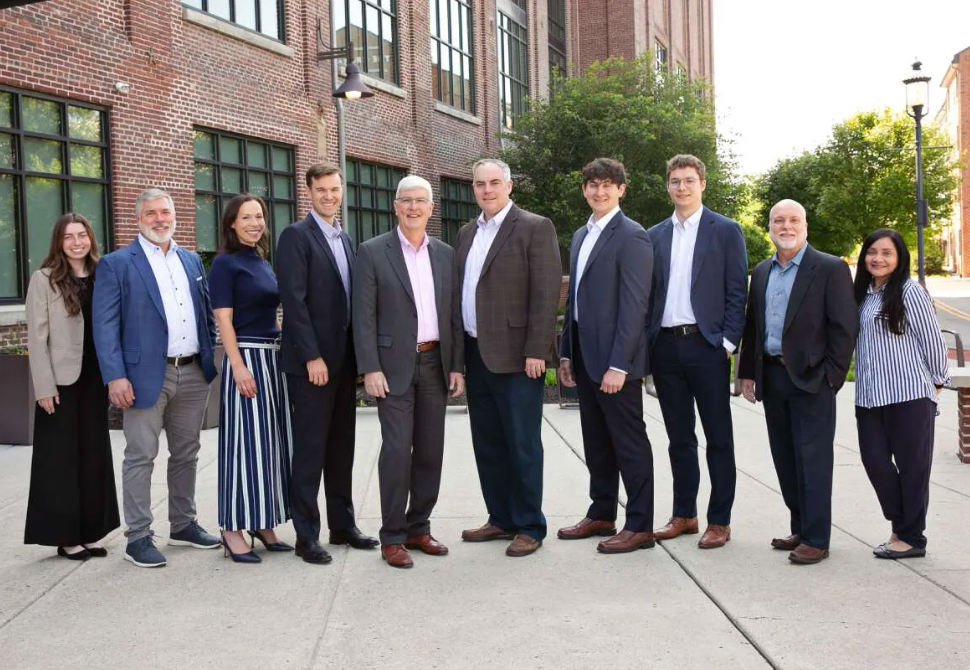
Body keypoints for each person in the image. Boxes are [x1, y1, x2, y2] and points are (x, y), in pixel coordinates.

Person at [93, 188, 220, 568]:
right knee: (140, 456)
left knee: (186, 453)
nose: (160, 219)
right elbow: (105, 326)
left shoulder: (191, 260)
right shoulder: (117, 264)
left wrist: (209, 355)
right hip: (144, 376)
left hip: (193, 372)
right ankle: (138, 536)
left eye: (165, 212)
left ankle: (183, 524)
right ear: (138, 219)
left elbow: (205, 313)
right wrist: (115, 377)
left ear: (174, 215)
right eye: (151, 213)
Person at [738, 199, 858, 564]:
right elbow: (753, 326)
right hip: (773, 377)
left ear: (805, 226)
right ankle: (800, 527)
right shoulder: (762, 271)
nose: (786, 226)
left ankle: (817, 538)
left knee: (813, 460)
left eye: (793, 220)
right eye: (778, 220)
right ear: (770, 227)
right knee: (785, 458)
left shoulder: (830, 268)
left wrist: (831, 378)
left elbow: (844, 328)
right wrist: (747, 372)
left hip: (812, 381)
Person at [353, 175, 465, 569]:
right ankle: (393, 536)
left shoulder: (446, 254)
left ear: (431, 208)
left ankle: (419, 527)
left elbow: (453, 315)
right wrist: (369, 367)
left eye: (420, 201)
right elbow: (363, 316)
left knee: (431, 452)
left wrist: (457, 366)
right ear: (396, 206)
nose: (413, 207)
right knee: (398, 452)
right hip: (392, 368)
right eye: (406, 201)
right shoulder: (372, 252)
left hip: (435, 365)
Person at [455, 158, 562, 558]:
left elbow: (546, 292)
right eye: (480, 184)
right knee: (488, 442)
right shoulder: (467, 232)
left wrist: (537, 349)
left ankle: (530, 525)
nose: (487, 190)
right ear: (473, 188)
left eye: (494, 183)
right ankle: (500, 518)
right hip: (475, 352)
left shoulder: (535, 227)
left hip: (518, 357)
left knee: (522, 443)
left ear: (509, 185)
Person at [277, 163, 378, 565]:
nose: (329, 196)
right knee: (310, 452)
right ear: (309, 191)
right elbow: (294, 302)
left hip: (344, 363)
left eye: (335, 189)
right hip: (313, 366)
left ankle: (342, 525)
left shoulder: (345, 238)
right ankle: (306, 536)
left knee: (341, 448)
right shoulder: (295, 236)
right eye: (321, 190)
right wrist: (312, 356)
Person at [646, 153, 747, 549]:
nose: (682, 187)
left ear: (702, 183)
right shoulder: (655, 235)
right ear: (667, 186)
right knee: (679, 438)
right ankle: (685, 515)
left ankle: (719, 520)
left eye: (689, 180)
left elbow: (737, 291)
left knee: (718, 437)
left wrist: (726, 343)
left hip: (707, 347)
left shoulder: (726, 230)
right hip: (666, 347)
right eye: (675, 181)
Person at [558, 157, 656, 554]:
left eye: (607, 185)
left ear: (621, 190)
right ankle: (601, 513)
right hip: (585, 357)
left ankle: (640, 525)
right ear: (584, 189)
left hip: (617, 364)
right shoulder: (582, 235)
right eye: (593, 185)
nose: (600, 192)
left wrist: (620, 365)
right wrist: (567, 353)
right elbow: (575, 301)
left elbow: (635, 306)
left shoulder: (632, 236)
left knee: (629, 444)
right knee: (596, 441)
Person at [24, 213, 120, 560]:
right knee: (60, 459)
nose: (77, 242)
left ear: (91, 238)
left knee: (93, 455)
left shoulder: (103, 274)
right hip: (61, 383)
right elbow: (37, 338)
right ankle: (65, 536)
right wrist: (44, 387)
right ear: (59, 242)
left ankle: (91, 532)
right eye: (69, 236)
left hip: (96, 378)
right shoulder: (44, 279)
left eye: (82, 235)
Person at [853, 228, 949, 560]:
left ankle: (911, 537)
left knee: (913, 468)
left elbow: (932, 340)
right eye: (872, 252)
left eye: (886, 253)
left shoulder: (910, 292)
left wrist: (938, 382)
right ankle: (901, 523)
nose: (878, 259)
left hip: (909, 395)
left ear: (900, 258)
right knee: (874, 461)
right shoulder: (862, 293)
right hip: (869, 397)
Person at [209, 194, 293, 564]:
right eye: (246, 217)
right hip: (246, 358)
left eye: (259, 216)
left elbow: (269, 314)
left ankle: (262, 522)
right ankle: (232, 529)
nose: (255, 223)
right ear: (232, 222)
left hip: (272, 358)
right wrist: (238, 366)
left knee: (269, 446)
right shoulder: (225, 264)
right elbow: (223, 320)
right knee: (243, 446)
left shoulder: (261, 261)